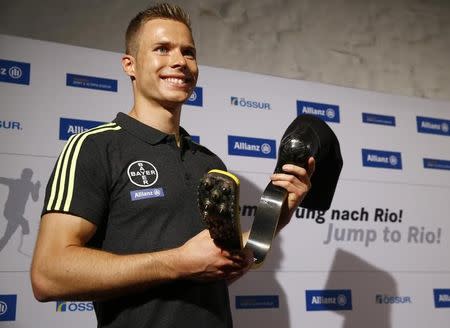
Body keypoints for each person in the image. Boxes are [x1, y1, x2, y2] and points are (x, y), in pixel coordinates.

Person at [30, 3, 314, 328]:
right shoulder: (94, 147)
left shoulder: (210, 163)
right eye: (162, 49)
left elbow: (218, 269)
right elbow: (48, 275)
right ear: (130, 65)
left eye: (188, 52)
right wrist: (178, 263)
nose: (179, 61)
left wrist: (277, 214)